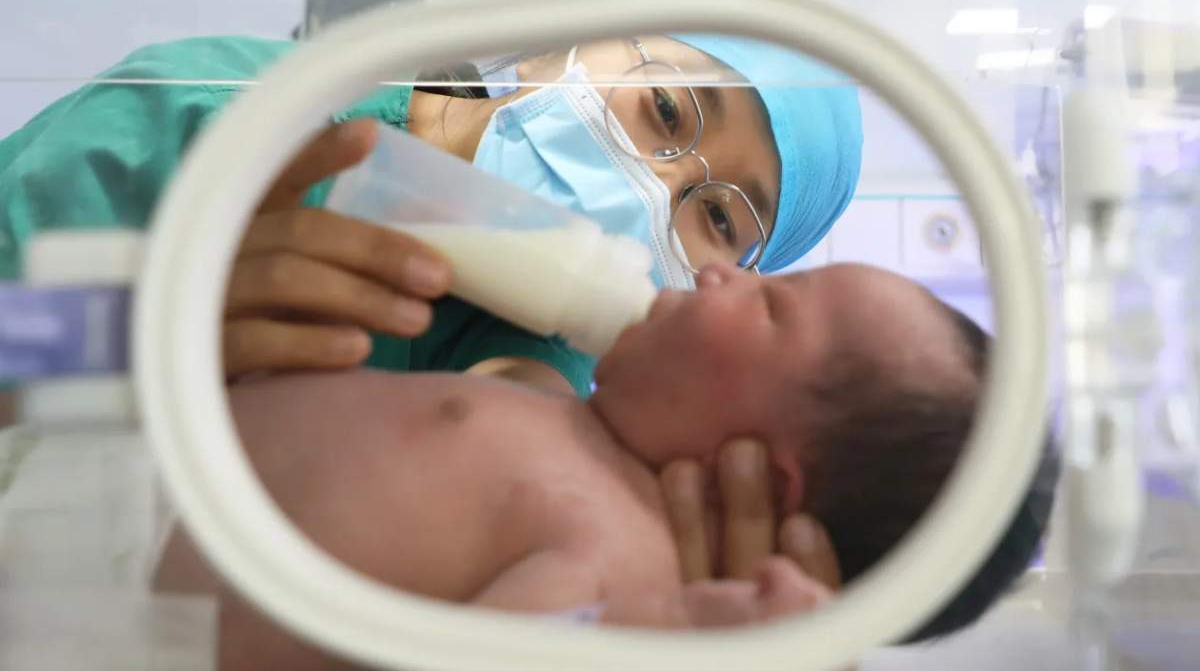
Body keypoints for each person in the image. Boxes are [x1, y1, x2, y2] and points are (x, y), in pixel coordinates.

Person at [0, 33, 863, 607]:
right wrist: (120, 332)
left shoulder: (560, 391)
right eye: (667, 111)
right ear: (569, 32)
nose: (649, 184)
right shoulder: (223, 114)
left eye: (716, 218)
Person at [155, 262, 1058, 670]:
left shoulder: (624, 566)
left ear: (770, 477)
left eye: (774, 305)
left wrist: (674, 639)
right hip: (107, 469)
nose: (722, 274)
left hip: (107, 595)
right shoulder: (568, 412)